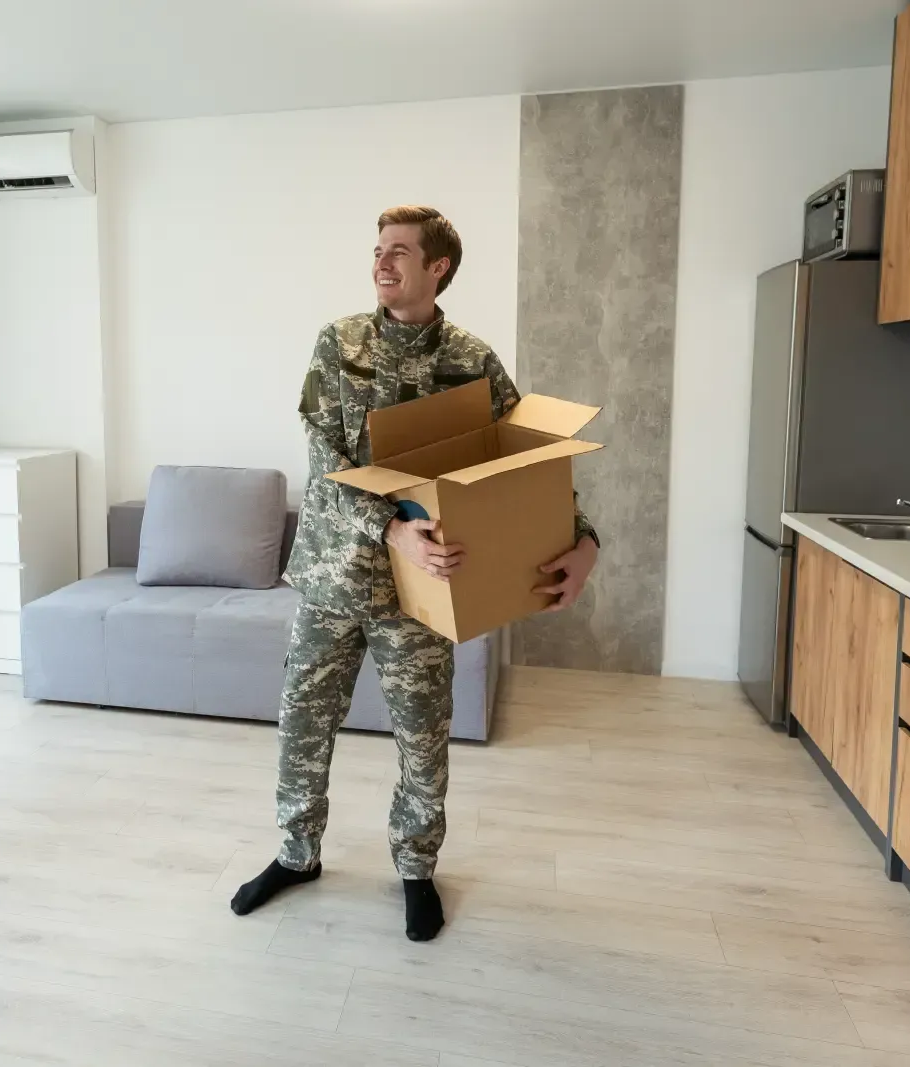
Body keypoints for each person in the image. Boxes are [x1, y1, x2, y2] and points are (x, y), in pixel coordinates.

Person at [229, 205, 600, 941]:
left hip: (425, 591)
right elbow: (325, 458)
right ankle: (297, 853)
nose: (382, 261)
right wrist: (390, 528)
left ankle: (416, 868)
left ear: (439, 267)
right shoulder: (339, 343)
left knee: (424, 736)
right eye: (377, 249)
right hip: (336, 576)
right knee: (303, 722)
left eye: (400, 251)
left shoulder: (472, 359)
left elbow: (523, 463)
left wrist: (583, 539)